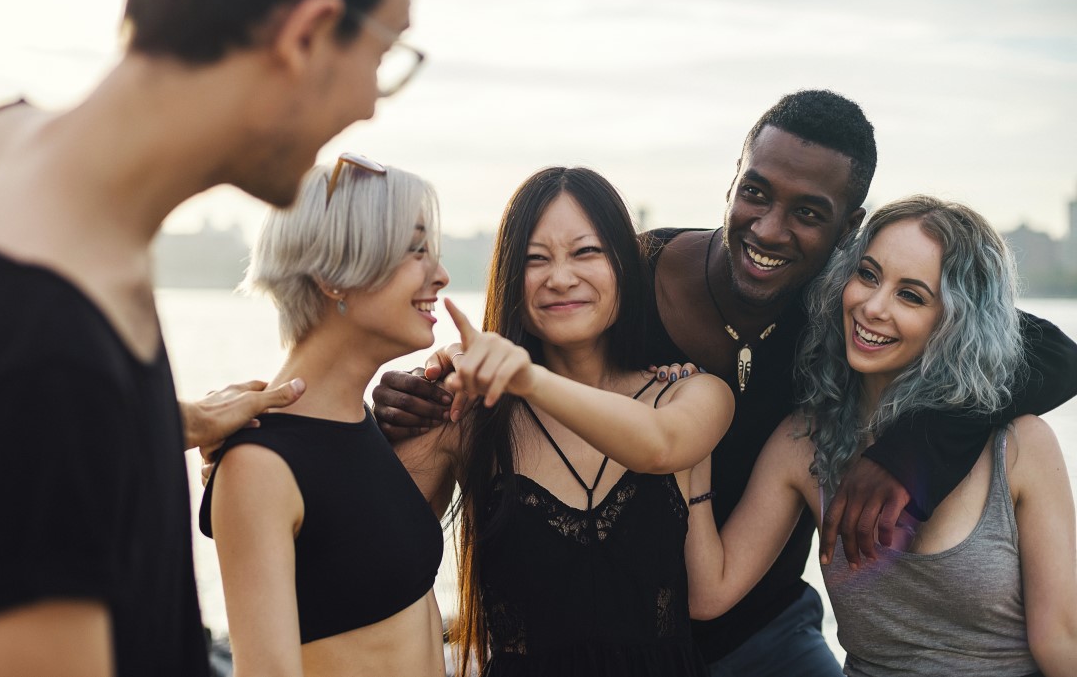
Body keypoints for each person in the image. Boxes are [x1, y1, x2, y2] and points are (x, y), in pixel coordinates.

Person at [0, 0, 418, 674]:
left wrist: (173, 422)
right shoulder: (40, 350)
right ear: (307, 36)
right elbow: (33, 412)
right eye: (383, 54)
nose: (373, 104)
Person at [374, 90, 1077, 675]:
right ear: (733, 179)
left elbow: (1044, 350)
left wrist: (912, 449)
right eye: (756, 192)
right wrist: (407, 398)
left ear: (847, 228)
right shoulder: (627, 281)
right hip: (619, 633)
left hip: (766, 633)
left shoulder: (841, 310)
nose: (770, 228)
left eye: (808, 213)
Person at [684, 196, 1077, 676]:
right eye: (868, 275)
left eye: (911, 295)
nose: (872, 307)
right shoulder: (804, 441)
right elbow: (710, 593)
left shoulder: (1020, 445)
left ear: (956, 322)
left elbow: (1061, 640)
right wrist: (691, 448)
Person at [394, 167, 735, 676]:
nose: (560, 277)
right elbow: (378, 565)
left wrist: (523, 376)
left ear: (624, 263)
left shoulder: (690, 394)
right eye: (536, 259)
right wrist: (382, 412)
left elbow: (660, 447)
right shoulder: (466, 413)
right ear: (512, 276)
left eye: (586, 252)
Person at [198, 158, 450, 676]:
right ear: (333, 277)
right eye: (416, 250)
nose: (441, 275)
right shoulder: (260, 465)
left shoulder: (361, 428)